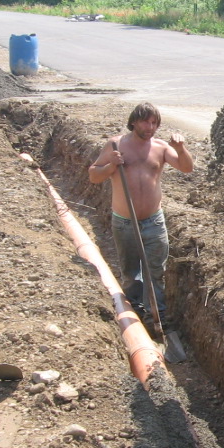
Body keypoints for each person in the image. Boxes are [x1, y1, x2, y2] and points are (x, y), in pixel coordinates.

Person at [88, 102, 194, 331]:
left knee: (155, 270)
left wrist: (181, 148)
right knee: (131, 273)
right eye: (146, 122)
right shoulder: (116, 145)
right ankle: (134, 312)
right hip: (124, 222)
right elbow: (94, 176)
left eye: (154, 123)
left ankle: (156, 315)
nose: (150, 127)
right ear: (134, 121)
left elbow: (187, 168)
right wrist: (111, 166)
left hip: (154, 221)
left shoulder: (161, 147)